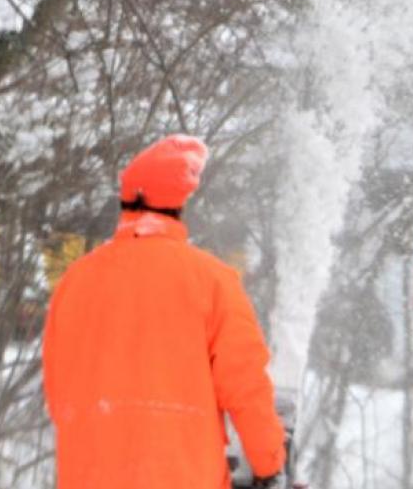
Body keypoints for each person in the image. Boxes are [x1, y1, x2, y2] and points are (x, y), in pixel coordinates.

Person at [41, 135, 287, 488]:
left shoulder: (75, 281)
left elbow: (58, 390)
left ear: (126, 200)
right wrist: (269, 465)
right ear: (179, 204)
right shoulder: (212, 281)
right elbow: (246, 386)